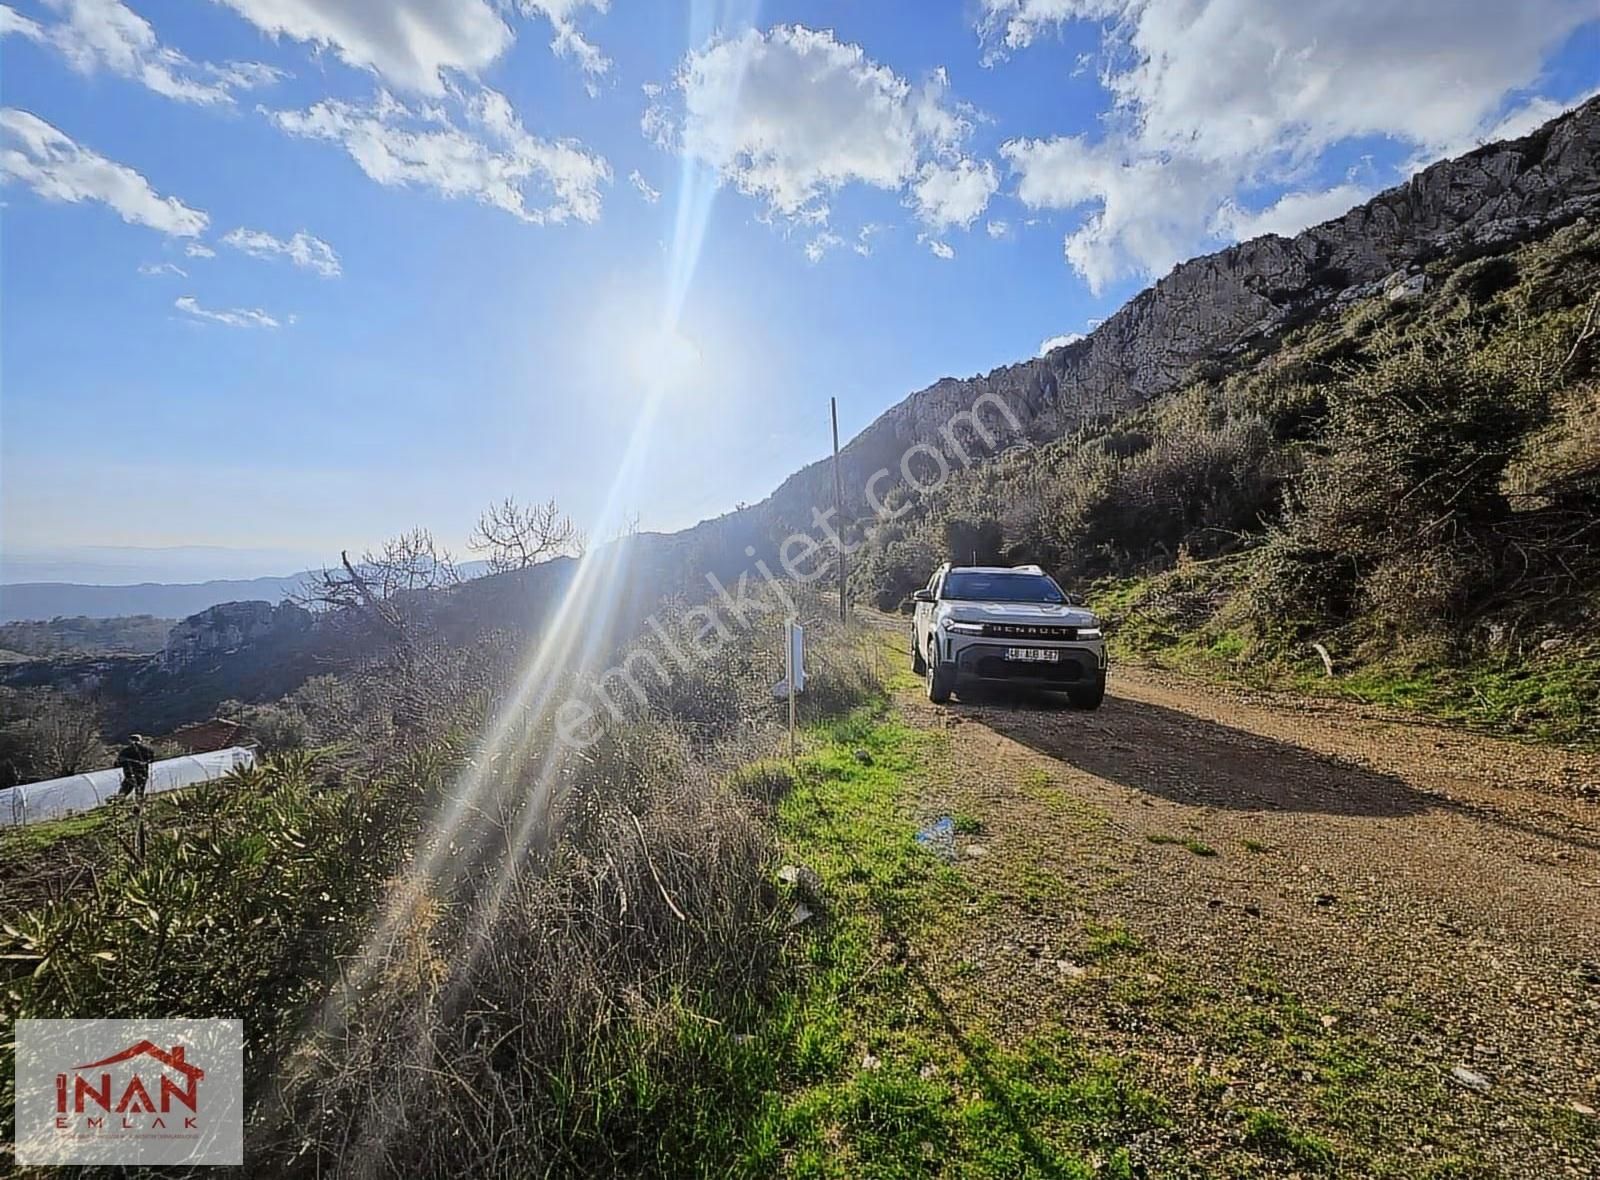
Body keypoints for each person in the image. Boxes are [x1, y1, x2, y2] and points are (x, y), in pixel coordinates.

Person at [115, 734, 156, 799]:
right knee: (139, 793)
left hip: (129, 775)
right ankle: (139, 806)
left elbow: (117, 764)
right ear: (140, 740)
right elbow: (151, 759)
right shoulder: (147, 750)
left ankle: (117, 805)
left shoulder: (125, 751)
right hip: (143, 774)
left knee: (123, 793)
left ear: (130, 741)